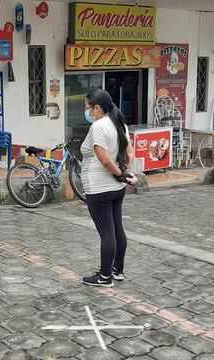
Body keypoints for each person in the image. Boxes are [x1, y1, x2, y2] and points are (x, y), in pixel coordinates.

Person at [81, 88, 137, 288]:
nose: (87, 111)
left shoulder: (99, 126)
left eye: (88, 107)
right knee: (117, 229)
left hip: (99, 187)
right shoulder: (119, 123)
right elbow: (130, 152)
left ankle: (105, 277)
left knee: (107, 233)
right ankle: (117, 271)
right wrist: (122, 171)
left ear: (97, 108)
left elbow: (103, 159)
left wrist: (118, 173)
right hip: (116, 187)